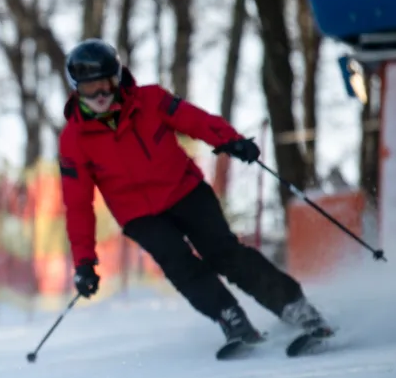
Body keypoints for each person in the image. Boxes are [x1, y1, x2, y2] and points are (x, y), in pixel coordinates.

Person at [57, 39, 328, 349]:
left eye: (105, 84)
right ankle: (230, 317)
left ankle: (296, 308)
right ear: (78, 89)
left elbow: (193, 119)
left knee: (223, 253)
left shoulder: (150, 100)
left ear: (117, 78)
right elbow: (78, 205)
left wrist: (231, 140)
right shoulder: (73, 140)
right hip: (139, 215)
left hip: (185, 191)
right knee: (179, 264)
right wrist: (84, 262)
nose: (101, 95)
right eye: (91, 89)